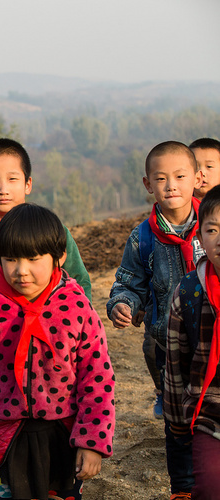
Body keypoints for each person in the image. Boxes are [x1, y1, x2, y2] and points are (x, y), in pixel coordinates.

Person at [0, 203, 115, 500]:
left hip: (64, 434)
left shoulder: (76, 307)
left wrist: (92, 441)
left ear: (59, 257)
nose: (21, 270)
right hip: (4, 435)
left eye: (33, 259)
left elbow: (97, 378)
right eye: (10, 259)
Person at [107, 141, 202, 500]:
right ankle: (183, 489)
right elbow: (129, 283)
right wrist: (122, 304)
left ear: (197, 178)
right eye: (161, 179)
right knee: (178, 424)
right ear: (148, 184)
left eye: (179, 176)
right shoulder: (143, 237)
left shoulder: (213, 224)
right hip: (168, 346)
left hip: (213, 341)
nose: (171, 185)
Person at [0, 137, 91, 302]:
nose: (3, 190)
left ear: (28, 184)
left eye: (12, 179)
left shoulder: (52, 232)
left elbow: (80, 284)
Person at [165, 184, 220, 499]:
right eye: (212, 229)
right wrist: (176, 422)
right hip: (210, 412)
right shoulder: (188, 293)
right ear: (200, 240)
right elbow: (175, 365)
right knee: (211, 488)